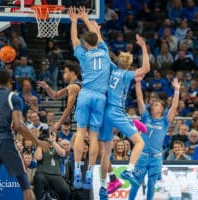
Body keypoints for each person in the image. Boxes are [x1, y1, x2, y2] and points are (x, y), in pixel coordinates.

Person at [0, 69, 49, 200]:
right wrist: (38, 142)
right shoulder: (13, 98)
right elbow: (19, 125)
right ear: (10, 83)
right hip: (6, 144)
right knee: (26, 187)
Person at [99, 34, 150, 199]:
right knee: (139, 142)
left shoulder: (113, 69)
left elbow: (104, 49)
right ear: (129, 65)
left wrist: (97, 32)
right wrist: (143, 46)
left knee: (106, 152)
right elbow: (146, 69)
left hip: (105, 113)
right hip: (115, 112)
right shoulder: (127, 74)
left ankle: (105, 185)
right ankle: (129, 171)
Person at [69, 7, 111, 189]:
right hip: (100, 97)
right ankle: (91, 171)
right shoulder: (105, 51)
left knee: (80, 132)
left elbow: (74, 40)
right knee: (94, 137)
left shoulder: (84, 55)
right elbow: (97, 38)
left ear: (86, 43)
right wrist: (87, 20)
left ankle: (78, 168)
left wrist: (74, 20)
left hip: (86, 94)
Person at [130, 75, 181, 200]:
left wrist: (177, 90)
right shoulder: (146, 116)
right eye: (154, 104)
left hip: (156, 158)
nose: (154, 105)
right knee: (136, 183)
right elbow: (140, 98)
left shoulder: (165, 121)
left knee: (151, 185)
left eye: (157, 104)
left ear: (162, 109)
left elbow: (174, 106)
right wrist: (137, 83)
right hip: (142, 156)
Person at [37, 60, 81, 132]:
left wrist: (58, 124)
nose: (63, 74)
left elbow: (69, 108)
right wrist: (46, 87)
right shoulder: (72, 85)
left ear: (72, 72)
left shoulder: (73, 87)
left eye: (65, 72)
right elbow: (55, 95)